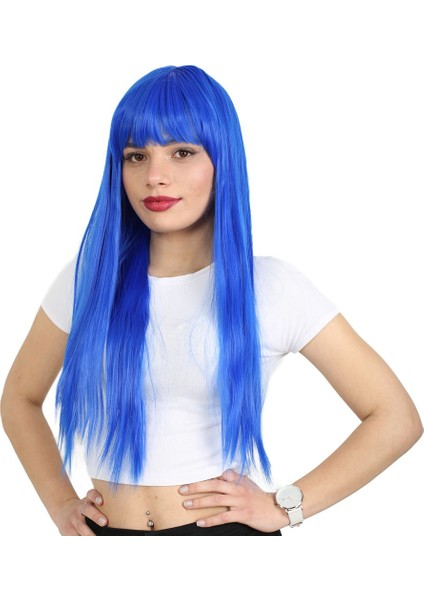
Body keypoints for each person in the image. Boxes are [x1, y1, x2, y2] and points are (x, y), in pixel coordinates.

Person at [1, 65, 422, 536]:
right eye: (136, 156)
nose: (155, 177)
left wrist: (285, 507)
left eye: (182, 152)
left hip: (222, 543)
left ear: (223, 161)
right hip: (104, 542)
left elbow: (396, 418)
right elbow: (19, 398)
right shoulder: (89, 281)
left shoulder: (271, 287)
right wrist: (59, 502)